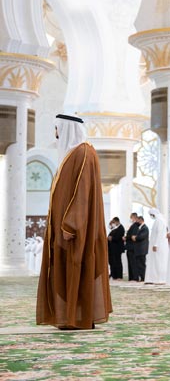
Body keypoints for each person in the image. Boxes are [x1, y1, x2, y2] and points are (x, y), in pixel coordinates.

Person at [37, 113, 112, 329]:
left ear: (67, 128)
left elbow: (82, 193)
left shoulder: (84, 152)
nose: (56, 133)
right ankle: (70, 317)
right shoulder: (73, 154)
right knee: (66, 272)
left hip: (74, 231)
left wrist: (70, 224)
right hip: (64, 229)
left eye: (57, 128)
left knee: (77, 268)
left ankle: (78, 318)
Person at [146, 209, 168, 284]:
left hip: (159, 245)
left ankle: (159, 279)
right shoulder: (158, 220)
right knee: (156, 262)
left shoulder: (160, 221)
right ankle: (154, 278)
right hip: (158, 245)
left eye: (151, 215)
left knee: (159, 262)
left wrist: (156, 244)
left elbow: (160, 234)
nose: (151, 216)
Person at [131, 216, 149, 282]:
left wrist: (135, 237)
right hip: (139, 249)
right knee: (139, 264)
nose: (137, 222)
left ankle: (143, 277)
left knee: (142, 264)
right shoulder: (140, 227)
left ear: (141, 220)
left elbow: (141, 236)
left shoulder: (145, 228)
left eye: (138, 220)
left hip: (142, 249)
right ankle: (141, 277)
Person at [125, 213, 140, 282]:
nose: (131, 219)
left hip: (132, 247)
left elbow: (133, 235)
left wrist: (126, 237)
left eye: (131, 217)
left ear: (134, 217)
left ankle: (135, 277)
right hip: (129, 247)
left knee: (133, 263)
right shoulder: (133, 225)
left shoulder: (136, 225)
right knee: (130, 263)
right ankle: (131, 277)